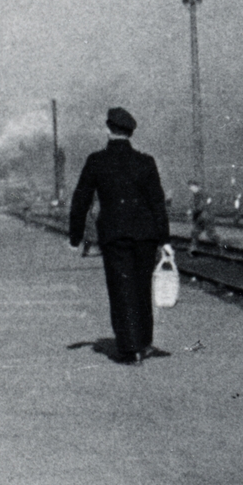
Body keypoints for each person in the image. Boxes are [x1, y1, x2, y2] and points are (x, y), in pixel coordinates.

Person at [68, 107, 170, 365]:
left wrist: (75, 236)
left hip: (115, 235)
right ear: (130, 132)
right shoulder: (146, 162)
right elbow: (157, 202)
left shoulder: (96, 161)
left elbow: (81, 198)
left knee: (121, 289)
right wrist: (165, 240)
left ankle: (129, 348)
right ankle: (144, 342)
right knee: (141, 288)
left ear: (107, 128)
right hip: (145, 235)